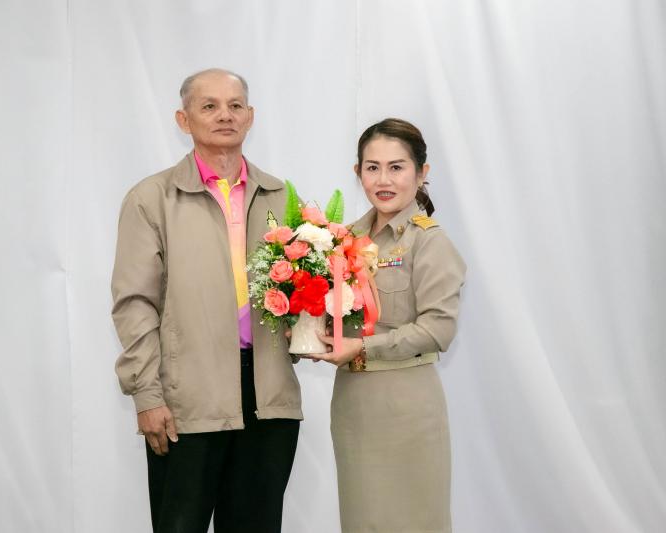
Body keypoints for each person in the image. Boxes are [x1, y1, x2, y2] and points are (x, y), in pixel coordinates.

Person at [111, 68, 302, 533]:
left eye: (235, 106)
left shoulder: (281, 197)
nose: (224, 116)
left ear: (250, 116)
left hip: (268, 398)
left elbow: (302, 290)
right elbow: (135, 303)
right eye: (209, 106)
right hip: (187, 400)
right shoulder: (151, 198)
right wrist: (147, 395)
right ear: (184, 119)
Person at [311, 118, 466, 532]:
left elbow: (438, 330)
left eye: (396, 167)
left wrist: (362, 348)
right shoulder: (343, 239)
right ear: (357, 171)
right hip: (353, 403)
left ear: (421, 173)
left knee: (413, 521)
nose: (383, 179)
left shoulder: (428, 241)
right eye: (372, 167)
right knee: (362, 521)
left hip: (407, 406)